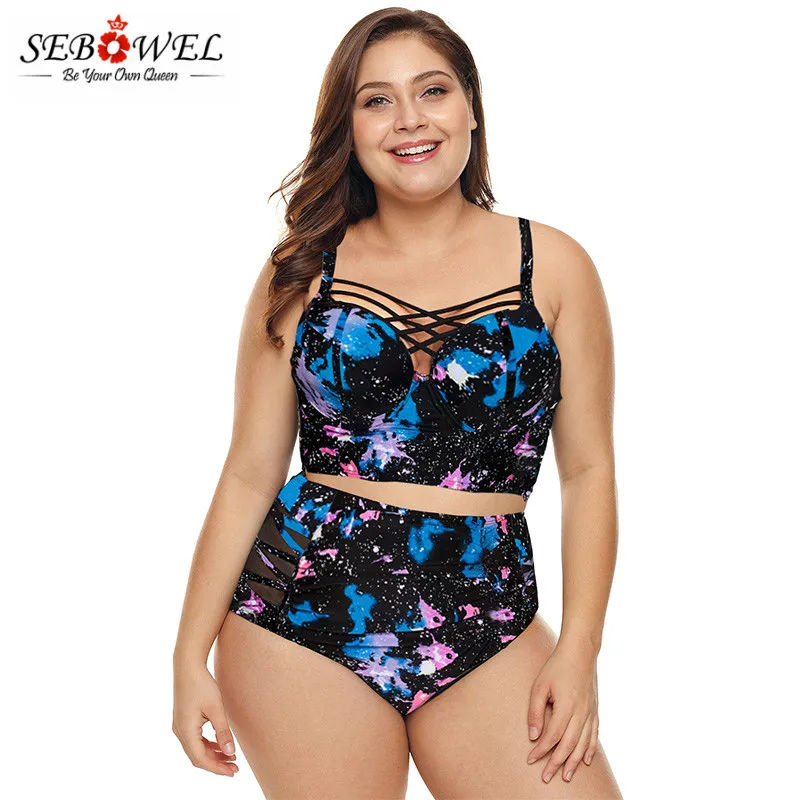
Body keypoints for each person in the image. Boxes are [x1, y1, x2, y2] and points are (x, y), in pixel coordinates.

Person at [173, 8, 623, 799]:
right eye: (376, 100)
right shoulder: (301, 271)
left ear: (471, 107)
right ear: (348, 128)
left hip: (488, 617)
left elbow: (588, 472)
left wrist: (579, 649)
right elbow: (248, 472)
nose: (409, 119)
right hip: (295, 611)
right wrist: (187, 653)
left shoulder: (553, 267)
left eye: (433, 91)